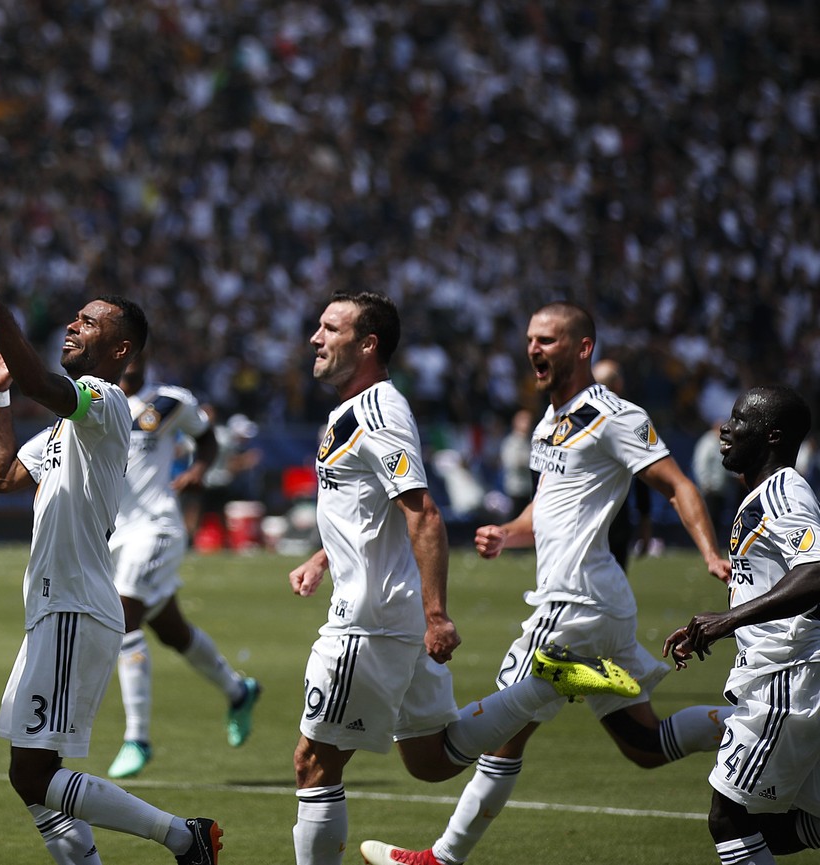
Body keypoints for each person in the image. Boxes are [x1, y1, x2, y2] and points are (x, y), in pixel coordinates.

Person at [362, 302, 736, 865]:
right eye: (531, 340)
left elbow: (679, 485)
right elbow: (547, 507)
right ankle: (759, 721)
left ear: (582, 348)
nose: (534, 349)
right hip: (599, 607)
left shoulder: (612, 416)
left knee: (502, 734)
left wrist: (712, 553)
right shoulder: (549, 422)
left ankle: (442, 858)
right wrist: (507, 534)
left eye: (548, 341)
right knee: (645, 746)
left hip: (573, 602)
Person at [290, 292, 641, 865]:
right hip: (387, 613)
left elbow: (422, 512)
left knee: (314, 762)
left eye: (330, 327)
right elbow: (364, 510)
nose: (315, 337)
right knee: (433, 759)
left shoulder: (378, 411)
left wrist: (437, 615)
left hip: (370, 620)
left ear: (369, 344)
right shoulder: (348, 412)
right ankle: (549, 683)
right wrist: (321, 557)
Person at [0, 239, 220, 865]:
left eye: (89, 321)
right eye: (74, 317)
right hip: (55, 608)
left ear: (120, 348)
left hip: (76, 607)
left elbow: (38, 380)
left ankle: (186, 838)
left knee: (32, 775)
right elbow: (3, 473)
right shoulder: (66, 424)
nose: (73, 326)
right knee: (33, 782)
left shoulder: (104, 402)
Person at [664, 385, 820, 865]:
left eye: (738, 420)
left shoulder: (782, 492)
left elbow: (815, 572)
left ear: (771, 435)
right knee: (783, 826)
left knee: (729, 818)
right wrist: (717, 627)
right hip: (791, 674)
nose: (724, 428)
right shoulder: (762, 494)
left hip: (787, 678)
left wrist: (725, 621)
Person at [104, 351, 261, 780]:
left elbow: (206, 439)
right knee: (172, 630)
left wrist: (199, 470)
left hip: (157, 528)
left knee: (123, 618)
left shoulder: (169, 402)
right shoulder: (96, 400)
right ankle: (238, 691)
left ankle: (137, 738)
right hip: (116, 535)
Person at [593, 359, 654, 567]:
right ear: (619, 384)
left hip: (583, 517)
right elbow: (645, 475)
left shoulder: (576, 418)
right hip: (617, 516)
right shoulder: (630, 418)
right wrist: (645, 522)